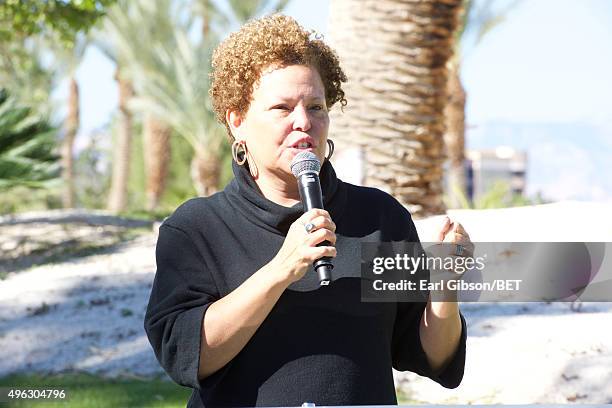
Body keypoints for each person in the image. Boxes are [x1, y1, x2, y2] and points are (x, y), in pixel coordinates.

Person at [145, 14, 471, 407]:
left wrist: (445, 286)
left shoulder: (379, 218)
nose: (304, 122)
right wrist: (282, 269)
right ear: (238, 122)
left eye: (316, 106)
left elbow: (433, 355)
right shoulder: (197, 229)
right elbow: (189, 355)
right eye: (282, 108)